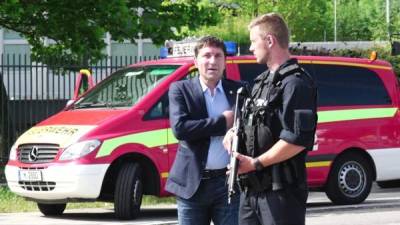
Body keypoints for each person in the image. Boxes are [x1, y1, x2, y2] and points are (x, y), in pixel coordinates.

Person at [223, 13, 318, 225]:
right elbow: (249, 123)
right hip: (251, 191)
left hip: (281, 192)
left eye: (253, 41)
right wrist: (232, 134)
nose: (250, 48)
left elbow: (296, 141)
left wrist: (255, 163)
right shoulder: (260, 83)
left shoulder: (296, 83)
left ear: (270, 40)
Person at [166, 36, 241, 225]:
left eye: (218, 56)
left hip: (228, 184)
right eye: (206, 55)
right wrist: (224, 122)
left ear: (225, 61)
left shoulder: (239, 91)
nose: (212, 61)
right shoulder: (180, 89)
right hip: (193, 185)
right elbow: (181, 129)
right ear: (195, 61)